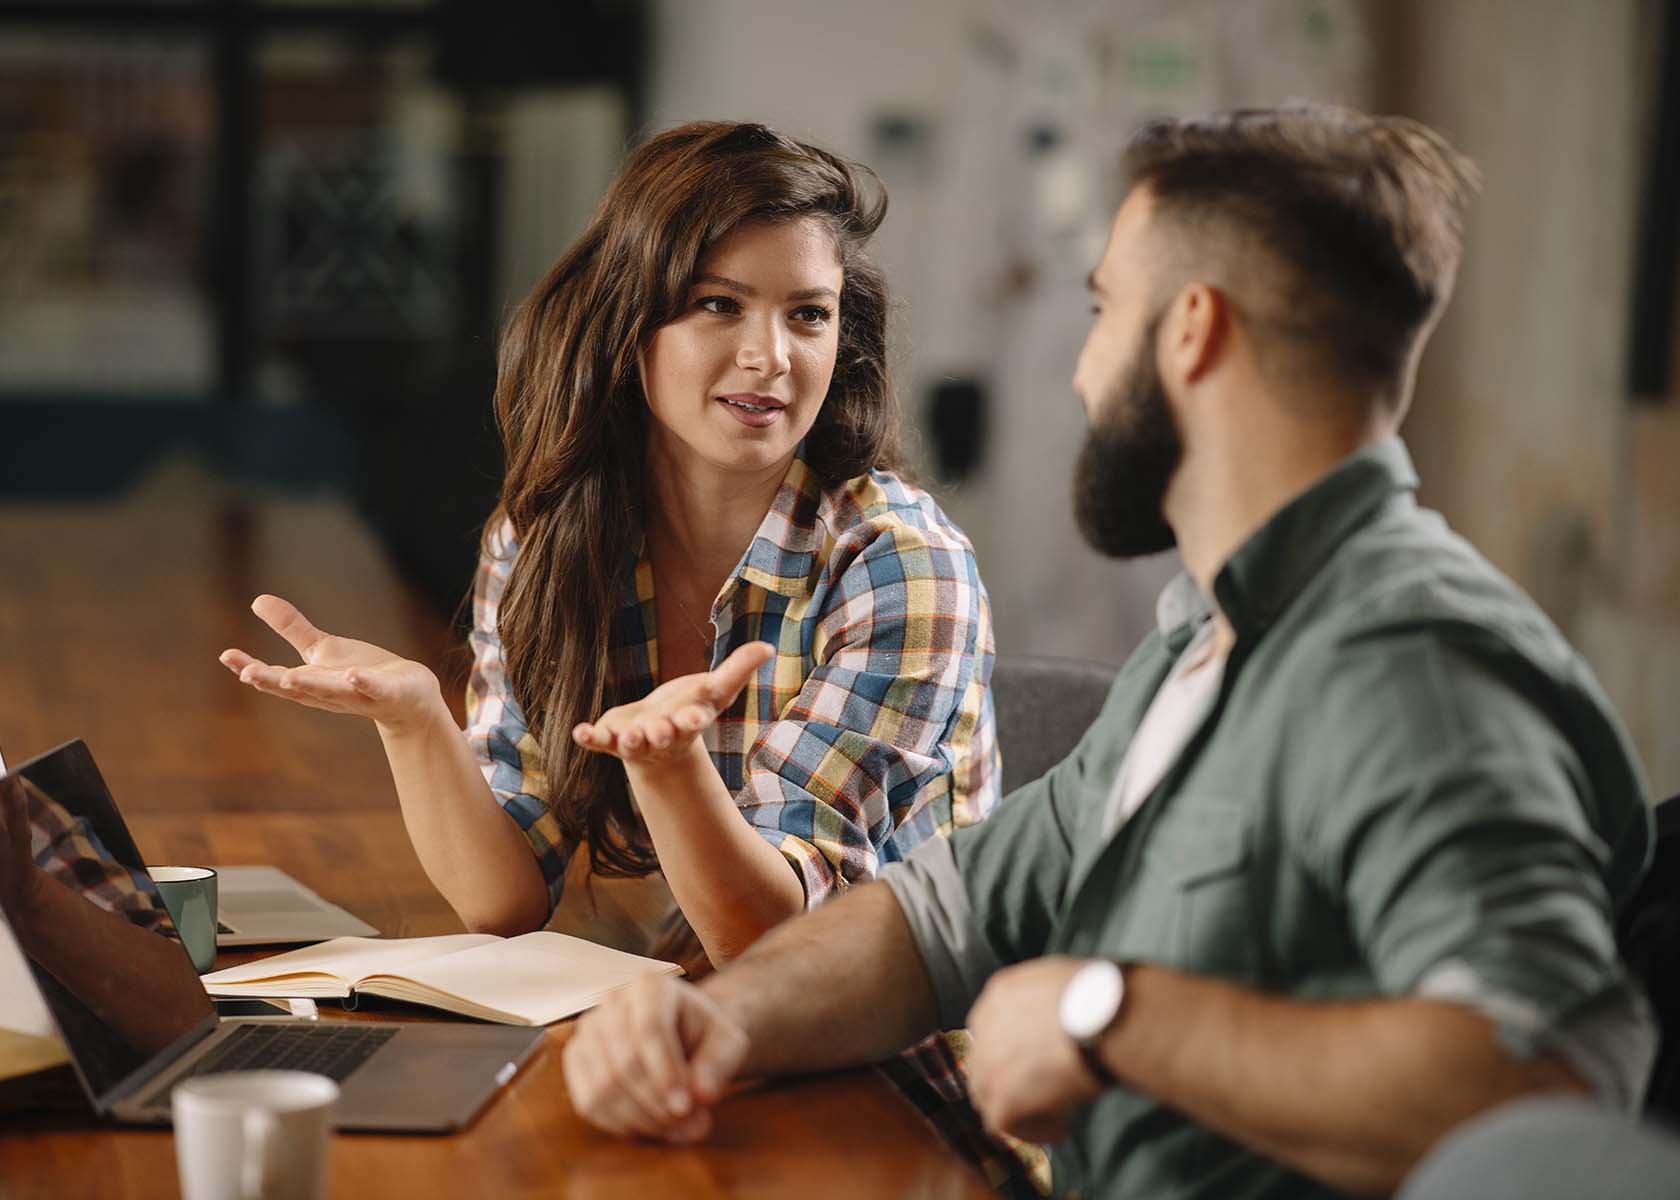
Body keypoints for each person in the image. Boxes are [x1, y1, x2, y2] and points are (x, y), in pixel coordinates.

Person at [558, 104, 1659, 1200]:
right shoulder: (1208, 654)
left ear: (1191, 331)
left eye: (1102, 313)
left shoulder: (1415, 668)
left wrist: (1114, 1016)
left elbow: (1543, 1089)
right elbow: (940, 920)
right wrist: (710, 1023)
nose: (1083, 374)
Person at [219, 122, 1035, 1191]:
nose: (770, 356)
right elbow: (504, 898)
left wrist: (668, 770)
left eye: (809, 315)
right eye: (717, 304)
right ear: (628, 323)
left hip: (901, 1111)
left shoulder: (899, 566)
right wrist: (417, 719)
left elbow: (778, 948)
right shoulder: (550, 537)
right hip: (694, 1056)